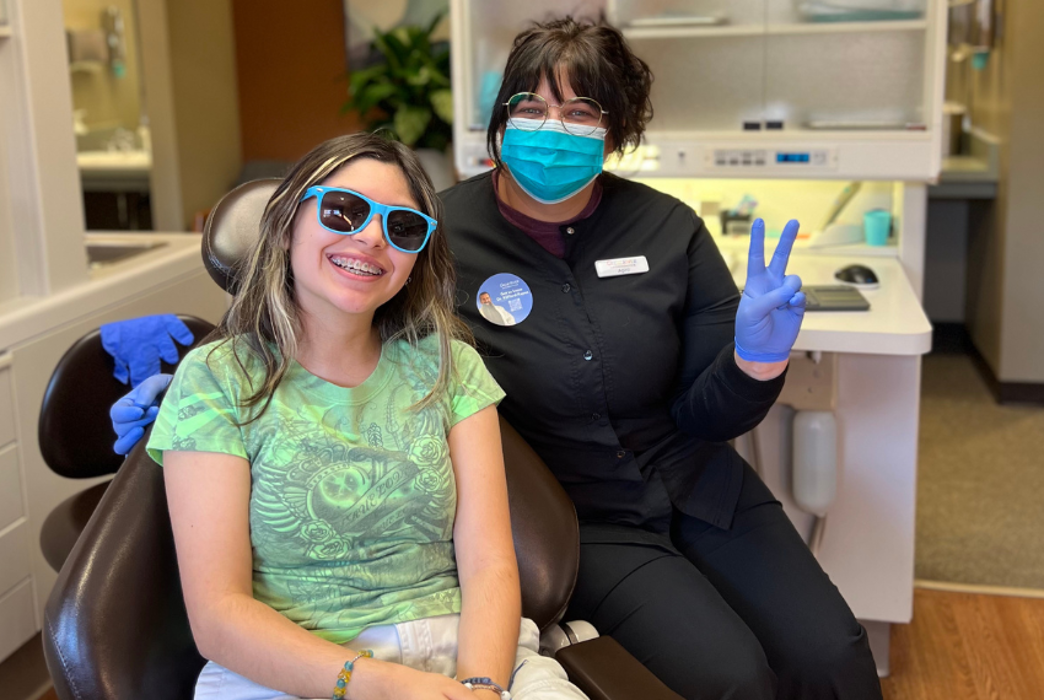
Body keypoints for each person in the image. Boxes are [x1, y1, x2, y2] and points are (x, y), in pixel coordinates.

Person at [112, 17, 883, 700]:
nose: (554, 128)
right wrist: (201, 370)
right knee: (733, 676)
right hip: (584, 515)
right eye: (532, 107)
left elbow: (707, 413)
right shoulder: (434, 232)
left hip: (700, 485)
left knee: (833, 652)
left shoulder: (667, 227)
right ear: (500, 120)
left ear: (616, 131)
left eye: (582, 111)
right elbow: (323, 308)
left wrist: (755, 359)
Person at [139, 132, 587, 700]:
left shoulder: (449, 367)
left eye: (403, 227)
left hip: (473, 653)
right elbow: (219, 614)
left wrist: (481, 686)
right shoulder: (217, 379)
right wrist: (384, 685)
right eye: (343, 210)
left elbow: (490, 566)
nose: (373, 236)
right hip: (299, 669)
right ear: (285, 225)